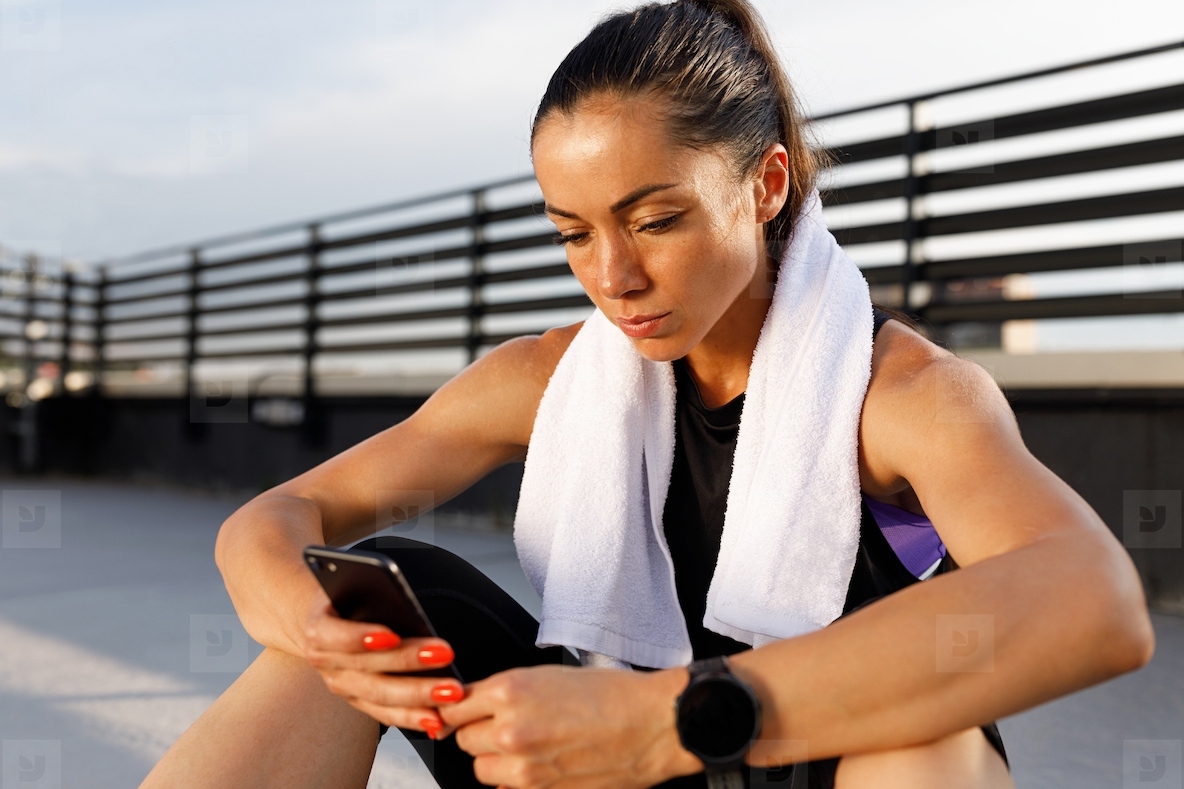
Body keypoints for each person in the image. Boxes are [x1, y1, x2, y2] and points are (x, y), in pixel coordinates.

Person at [141, 1, 1155, 787]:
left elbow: (1092, 601)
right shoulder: (548, 379)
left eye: (655, 220)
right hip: (599, 766)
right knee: (371, 597)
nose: (611, 276)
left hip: (801, 760)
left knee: (930, 739)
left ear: (763, 186)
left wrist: (669, 717)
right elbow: (275, 519)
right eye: (574, 233)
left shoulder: (905, 396)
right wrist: (314, 629)